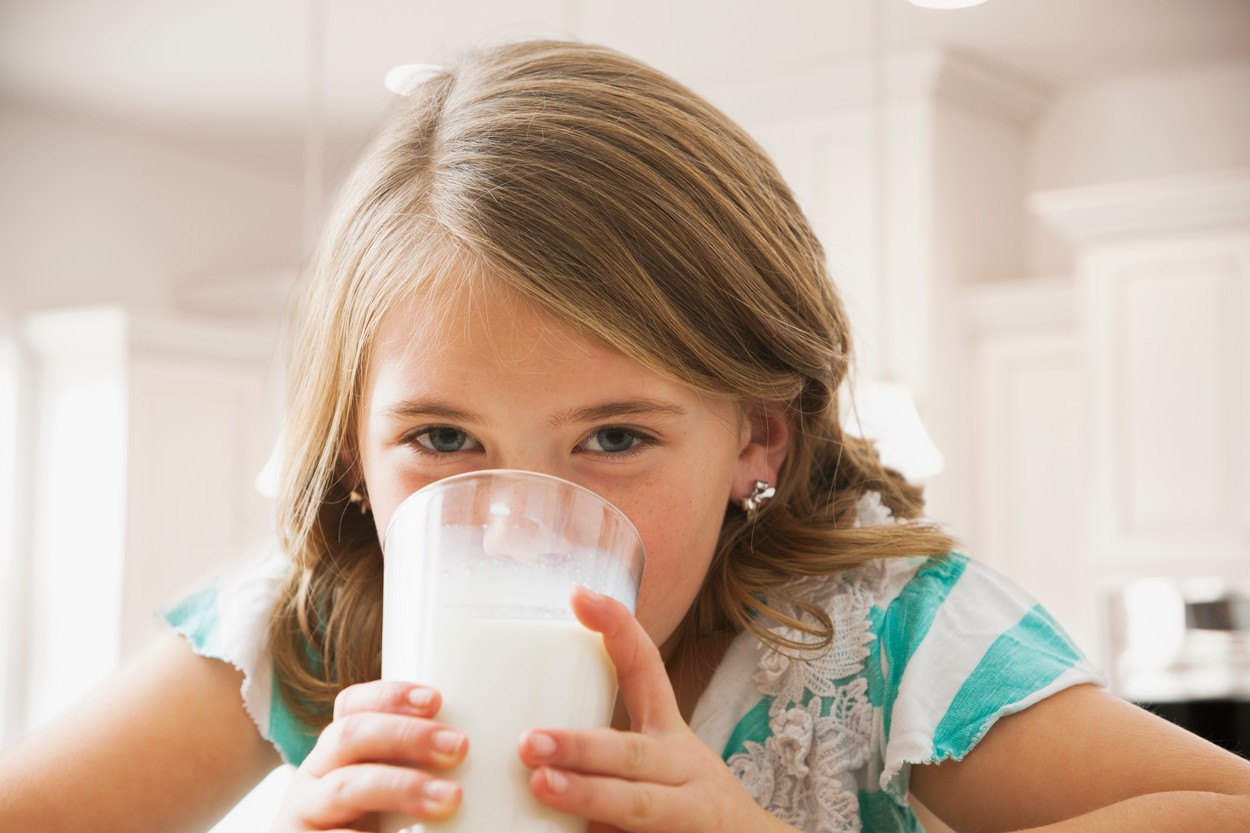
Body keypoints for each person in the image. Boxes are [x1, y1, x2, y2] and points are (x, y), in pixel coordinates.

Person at [2, 39, 1248, 833]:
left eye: (611, 438)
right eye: (440, 436)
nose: (518, 517)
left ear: (758, 436)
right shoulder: (320, 615)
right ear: (347, 450)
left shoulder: (885, 634)